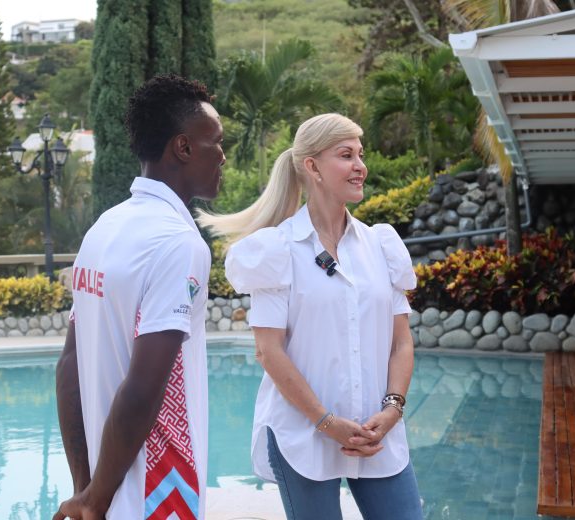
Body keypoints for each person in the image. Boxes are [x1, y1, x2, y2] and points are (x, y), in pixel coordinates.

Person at [198, 113, 423, 520]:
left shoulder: (381, 246)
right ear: (313, 167)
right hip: (302, 433)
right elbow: (269, 351)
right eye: (346, 155)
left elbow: (401, 341)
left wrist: (392, 409)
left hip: (379, 432)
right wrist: (326, 421)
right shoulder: (277, 250)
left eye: (360, 154)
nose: (360, 166)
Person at [54, 74, 225, 520]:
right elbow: (144, 389)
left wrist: (86, 488)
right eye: (216, 143)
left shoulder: (104, 228)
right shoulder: (178, 244)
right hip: (159, 494)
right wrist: (95, 497)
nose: (223, 156)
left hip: (107, 488)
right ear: (183, 147)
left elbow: (70, 365)